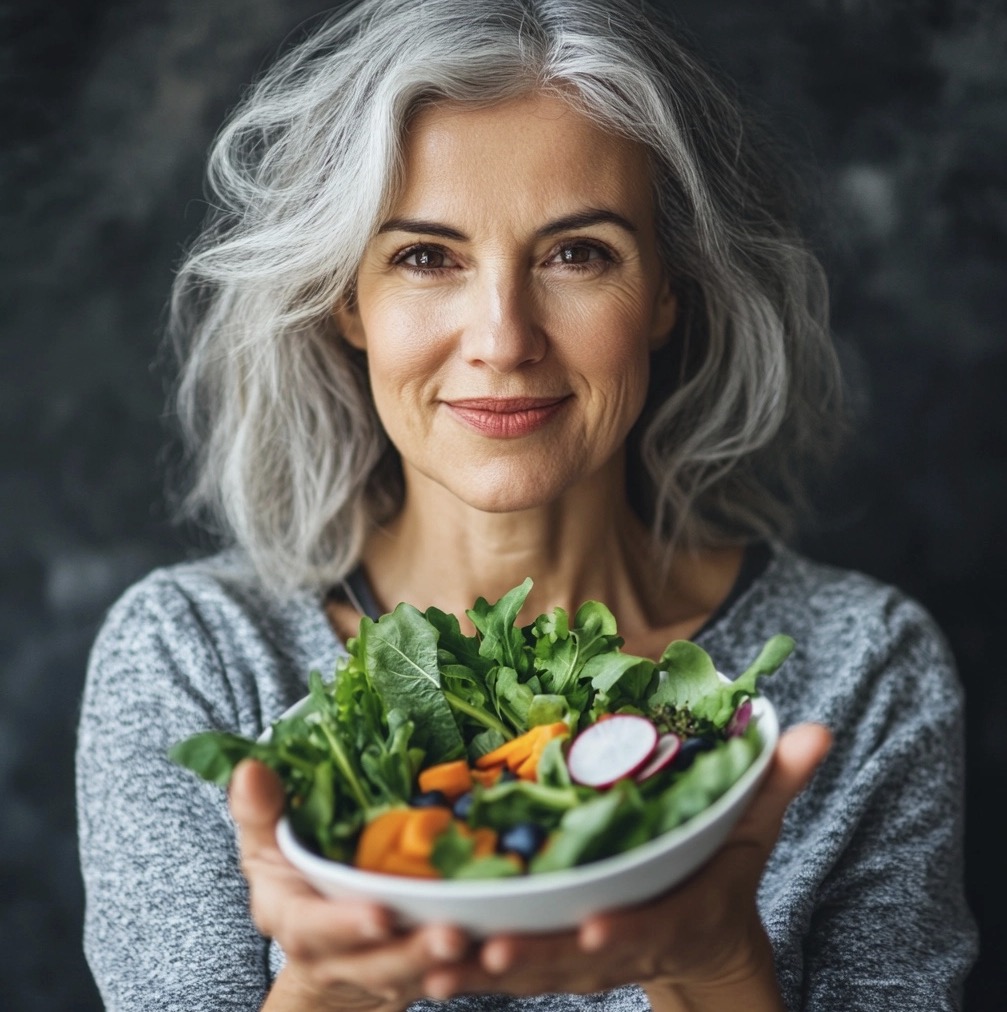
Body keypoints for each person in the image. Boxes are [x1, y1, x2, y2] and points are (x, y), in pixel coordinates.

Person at [75, 0, 977, 1009]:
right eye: (426, 257)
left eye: (576, 253)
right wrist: (328, 989)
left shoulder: (860, 668)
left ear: (666, 291)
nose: (503, 339)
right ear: (347, 300)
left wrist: (717, 967)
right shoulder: (196, 656)